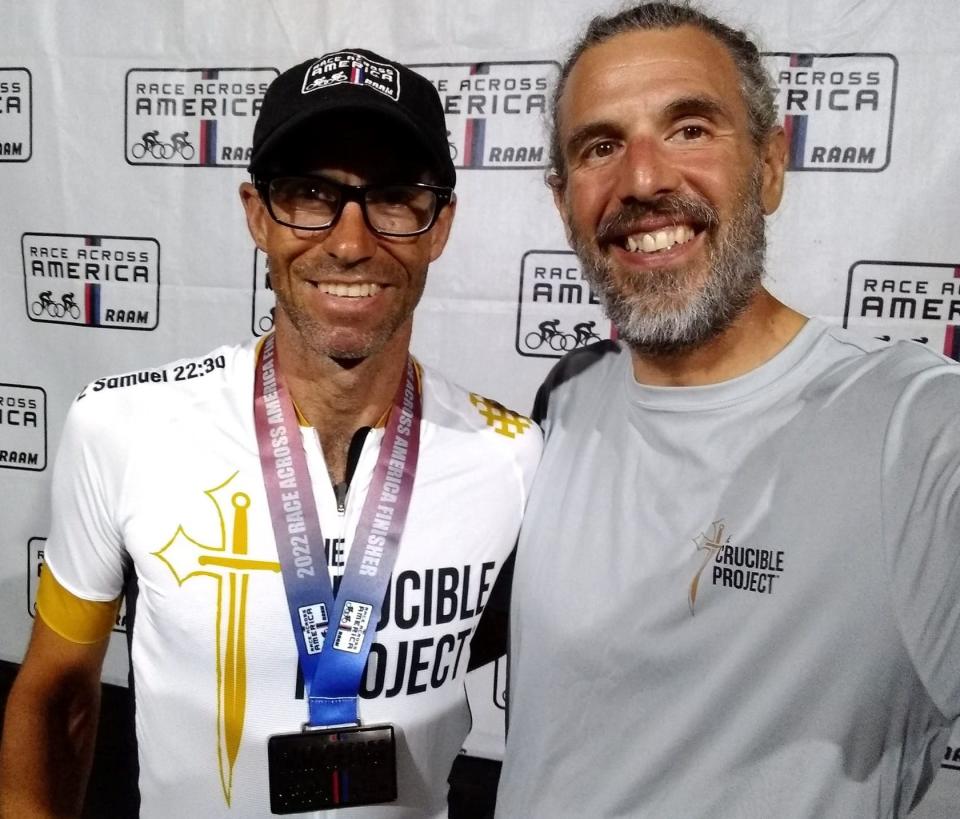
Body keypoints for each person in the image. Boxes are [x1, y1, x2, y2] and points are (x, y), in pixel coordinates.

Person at [0, 49, 540, 818]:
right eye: (311, 195)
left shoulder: (513, 457)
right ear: (258, 214)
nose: (350, 242)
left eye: (392, 197)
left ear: (438, 225)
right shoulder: (122, 428)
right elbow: (55, 695)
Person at [495, 4, 960, 817]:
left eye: (690, 129)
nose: (643, 180)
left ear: (771, 165)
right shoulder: (567, 399)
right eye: (602, 146)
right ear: (564, 200)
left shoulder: (914, 428)